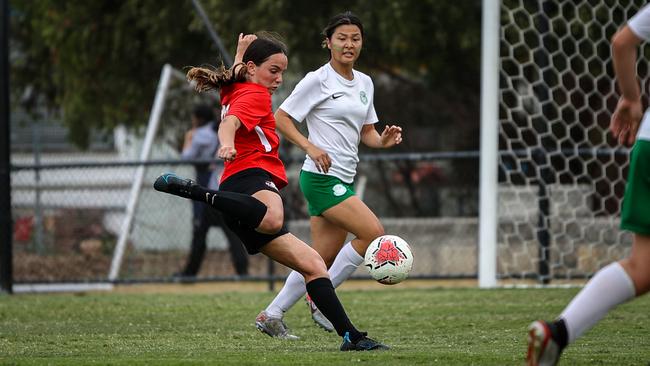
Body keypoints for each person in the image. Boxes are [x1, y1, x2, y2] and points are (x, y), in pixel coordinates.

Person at [154, 32, 388, 351]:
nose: (279, 79)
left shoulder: (237, 86)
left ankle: (351, 336)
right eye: (273, 71)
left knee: (314, 265)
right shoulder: (256, 96)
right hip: (250, 178)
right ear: (253, 68)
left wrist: (239, 50)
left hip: (240, 199)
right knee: (274, 217)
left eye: (281, 71)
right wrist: (225, 144)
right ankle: (195, 192)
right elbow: (230, 125)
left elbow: (237, 75)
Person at [256, 11, 403, 336]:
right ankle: (322, 298)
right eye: (342, 38)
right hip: (321, 179)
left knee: (316, 259)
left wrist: (383, 141)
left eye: (355, 38)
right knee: (374, 233)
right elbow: (281, 117)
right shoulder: (317, 79)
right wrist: (310, 147)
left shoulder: (365, 82)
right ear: (328, 43)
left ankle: (272, 313)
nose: (349, 44)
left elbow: (367, 132)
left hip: (342, 178)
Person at [526, 5, 650, 365]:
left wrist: (631, 97)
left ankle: (557, 333)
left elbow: (622, 41)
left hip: (647, 144)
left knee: (642, 267)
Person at [177, 104, 248, 278]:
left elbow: (186, 157)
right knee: (231, 233)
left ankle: (189, 273)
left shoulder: (201, 135)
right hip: (226, 188)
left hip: (210, 190)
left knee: (200, 231)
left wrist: (188, 138)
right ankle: (242, 271)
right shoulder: (233, 135)